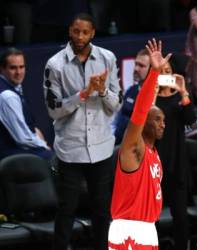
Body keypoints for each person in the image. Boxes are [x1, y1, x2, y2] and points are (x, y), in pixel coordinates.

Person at [43, 13, 122, 250]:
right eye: (76, 31)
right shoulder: (55, 64)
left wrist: (101, 91)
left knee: (102, 210)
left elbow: (116, 103)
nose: (80, 36)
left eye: (85, 32)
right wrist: (83, 94)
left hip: (101, 147)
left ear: (93, 33)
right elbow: (53, 110)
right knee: (66, 209)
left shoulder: (107, 58)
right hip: (71, 149)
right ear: (69, 31)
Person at [108, 39, 171, 249]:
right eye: (157, 120)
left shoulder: (154, 154)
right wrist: (153, 73)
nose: (163, 124)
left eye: (163, 119)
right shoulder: (134, 148)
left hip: (148, 229)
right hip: (129, 230)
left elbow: (150, 105)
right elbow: (141, 111)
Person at [155, 61, 196, 250]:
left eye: (168, 71)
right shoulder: (150, 99)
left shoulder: (180, 99)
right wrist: (152, 91)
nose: (165, 74)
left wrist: (183, 91)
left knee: (181, 216)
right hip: (155, 165)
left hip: (177, 162)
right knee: (151, 216)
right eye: (160, 71)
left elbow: (191, 120)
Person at [0, 47, 54, 161]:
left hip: (18, 150)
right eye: (13, 68)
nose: (18, 72)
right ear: (2, 69)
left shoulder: (13, 87)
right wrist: (44, 146)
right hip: (12, 155)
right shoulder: (7, 96)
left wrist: (35, 132)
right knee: (57, 159)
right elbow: (23, 139)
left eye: (21, 67)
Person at [112, 48, 150, 145]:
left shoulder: (155, 96)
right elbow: (117, 122)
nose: (136, 69)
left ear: (152, 70)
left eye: (141, 66)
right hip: (119, 145)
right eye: (136, 64)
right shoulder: (131, 91)